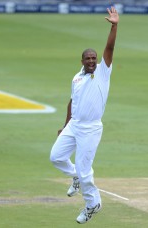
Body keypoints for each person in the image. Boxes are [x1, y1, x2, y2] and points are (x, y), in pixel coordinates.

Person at [50, 6, 119, 224]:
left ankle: (93, 204)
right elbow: (72, 102)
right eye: (88, 58)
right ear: (82, 61)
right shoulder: (76, 78)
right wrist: (65, 125)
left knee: (85, 168)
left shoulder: (102, 72)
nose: (91, 61)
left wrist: (114, 26)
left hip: (91, 127)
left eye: (93, 58)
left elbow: (109, 48)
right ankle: (75, 176)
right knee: (56, 157)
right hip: (75, 125)